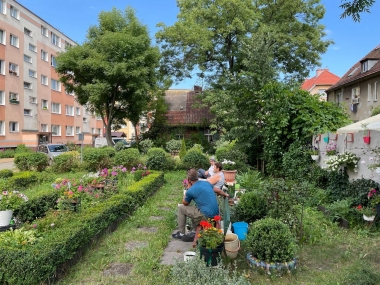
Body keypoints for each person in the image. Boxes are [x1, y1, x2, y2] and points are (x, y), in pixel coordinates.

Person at [172, 168, 219, 241]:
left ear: (189, 180)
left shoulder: (191, 190)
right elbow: (218, 190)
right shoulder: (206, 183)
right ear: (197, 177)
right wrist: (225, 194)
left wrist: (187, 189)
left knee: (181, 208)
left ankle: (181, 233)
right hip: (215, 215)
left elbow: (185, 203)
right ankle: (194, 231)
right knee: (194, 208)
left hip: (206, 217)